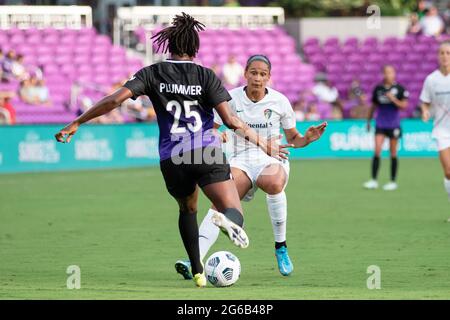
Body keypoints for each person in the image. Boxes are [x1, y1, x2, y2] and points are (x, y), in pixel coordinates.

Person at [54, 13, 288, 287]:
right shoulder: (205, 75)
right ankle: (225, 219)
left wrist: (77, 122)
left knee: (187, 210)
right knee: (231, 208)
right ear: (195, 47)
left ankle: (199, 272)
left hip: (172, 157)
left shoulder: (152, 73)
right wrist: (263, 142)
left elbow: (115, 100)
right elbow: (230, 121)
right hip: (205, 151)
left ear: (168, 46)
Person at [174, 55, 327, 279]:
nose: (257, 78)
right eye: (253, 73)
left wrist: (307, 139)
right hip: (239, 160)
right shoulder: (230, 99)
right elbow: (211, 130)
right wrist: (218, 135)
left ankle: (281, 247)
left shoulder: (280, 101)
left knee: (274, 183)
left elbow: (294, 138)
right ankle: (193, 260)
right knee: (221, 202)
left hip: (272, 157)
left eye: (263, 74)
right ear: (245, 73)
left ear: (269, 77)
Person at [364, 65, 409, 191]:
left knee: (393, 152)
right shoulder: (378, 89)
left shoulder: (400, 89)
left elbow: (404, 106)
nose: (388, 75)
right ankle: (373, 180)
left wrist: (393, 99)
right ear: (383, 74)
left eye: (390, 72)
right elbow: (373, 106)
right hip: (380, 124)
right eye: (386, 72)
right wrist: (368, 121)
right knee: (377, 150)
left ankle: (392, 181)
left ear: (394, 74)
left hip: (393, 124)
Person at [420, 41, 450, 219]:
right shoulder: (431, 79)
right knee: (448, 171)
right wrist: (425, 111)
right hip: (442, 131)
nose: (445, 56)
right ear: (438, 56)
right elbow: (425, 101)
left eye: (448, 53)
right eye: (442, 53)